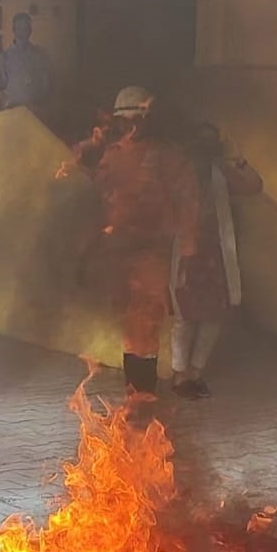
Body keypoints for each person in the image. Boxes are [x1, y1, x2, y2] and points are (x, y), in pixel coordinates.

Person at [64, 85, 197, 397]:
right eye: (126, 120)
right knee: (128, 323)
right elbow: (99, 198)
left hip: (152, 253)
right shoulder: (113, 154)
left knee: (147, 321)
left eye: (138, 118)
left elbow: (188, 202)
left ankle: (143, 395)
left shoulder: (168, 156)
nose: (132, 126)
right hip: (117, 253)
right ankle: (133, 393)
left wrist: (188, 248)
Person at [169, 122, 262, 399]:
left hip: (215, 254)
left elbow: (255, 186)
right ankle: (179, 375)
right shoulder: (177, 173)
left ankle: (195, 373)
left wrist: (239, 160)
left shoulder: (221, 172)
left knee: (214, 315)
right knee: (184, 317)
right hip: (186, 254)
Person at [0, 12, 53, 110]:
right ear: (14, 30)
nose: (23, 30)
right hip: (13, 111)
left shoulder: (39, 55)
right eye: (19, 27)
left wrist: (41, 103)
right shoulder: (4, 57)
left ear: (30, 30)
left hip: (36, 110)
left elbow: (46, 82)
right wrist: (7, 104)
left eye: (26, 27)